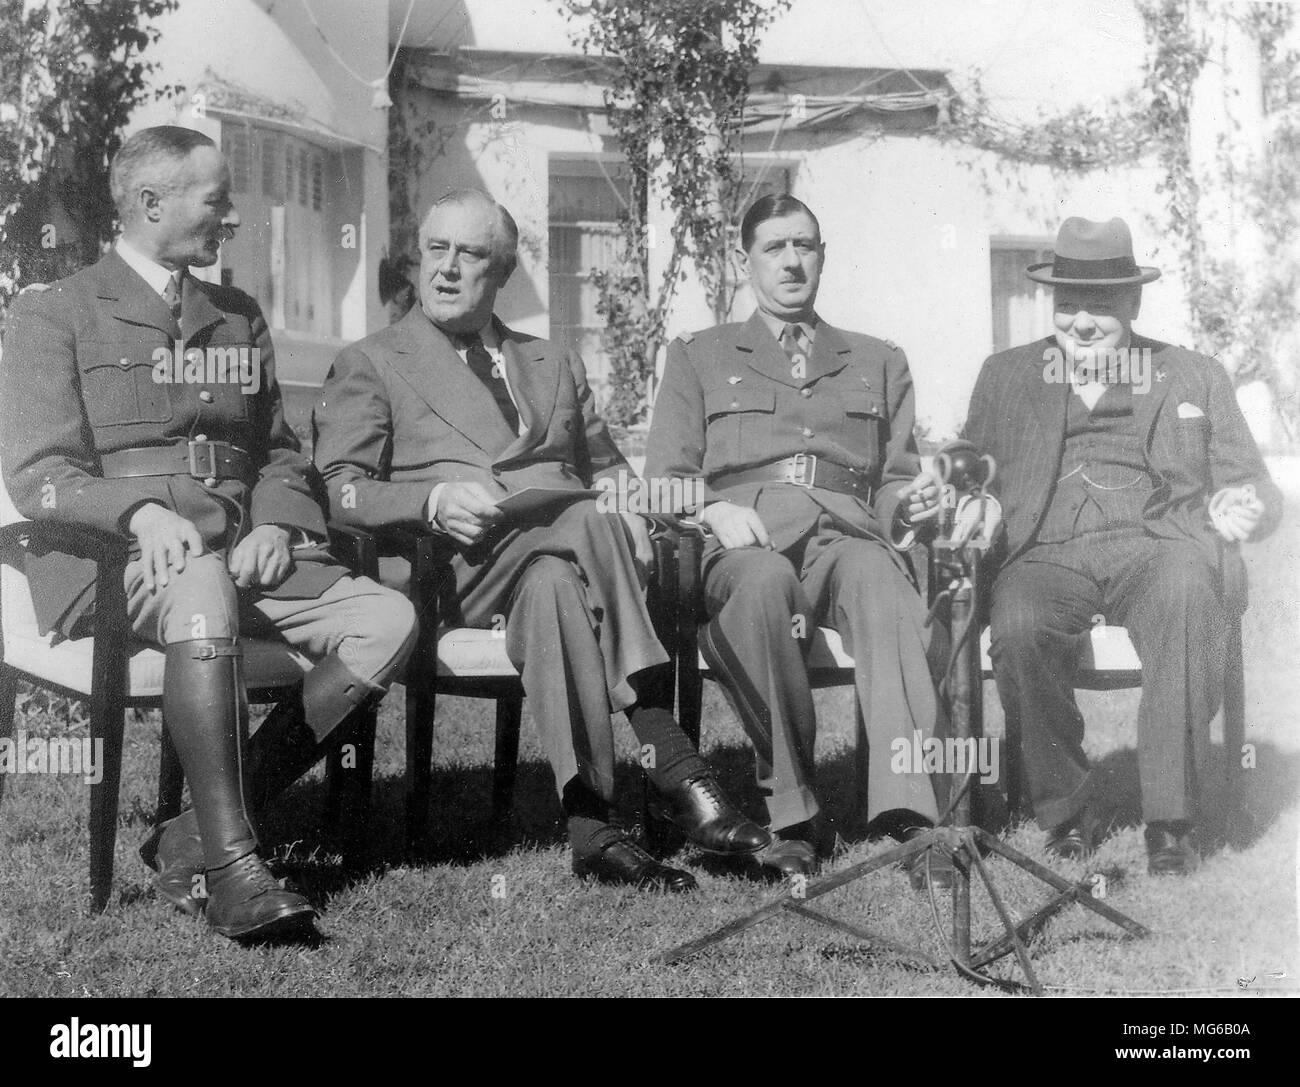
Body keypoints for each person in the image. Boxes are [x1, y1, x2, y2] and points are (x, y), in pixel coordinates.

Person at [0, 126, 417, 940]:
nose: (231, 218)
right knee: (200, 582)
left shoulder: (237, 317)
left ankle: (191, 835)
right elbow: (38, 474)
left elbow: (282, 453)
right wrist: (140, 512)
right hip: (121, 561)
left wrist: (278, 523)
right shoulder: (56, 314)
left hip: (237, 553)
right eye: (217, 200)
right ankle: (233, 872)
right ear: (151, 204)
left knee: (387, 618)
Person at [312, 188, 770, 892]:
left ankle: (593, 830)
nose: (446, 269)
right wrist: (429, 500)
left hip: (555, 567)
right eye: (436, 250)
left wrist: (623, 490)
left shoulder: (550, 361)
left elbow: (607, 468)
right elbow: (341, 488)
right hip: (455, 566)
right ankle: (674, 761)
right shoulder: (373, 360)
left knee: (559, 574)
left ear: (502, 272)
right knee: (586, 521)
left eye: (470, 255)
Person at [960, 216, 1282, 875]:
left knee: (1191, 591)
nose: (1080, 322)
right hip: (1045, 547)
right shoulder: (1006, 374)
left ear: (1133, 303)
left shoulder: (1193, 375)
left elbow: (1255, 483)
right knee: (1018, 622)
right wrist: (976, 499)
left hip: (1157, 544)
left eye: (1099, 306)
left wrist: (1243, 503)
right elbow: (971, 469)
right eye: (1067, 304)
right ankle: (1066, 811)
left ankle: (1171, 820)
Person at [643, 194, 948, 884]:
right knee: (763, 584)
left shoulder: (877, 359)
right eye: (775, 247)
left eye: (804, 246)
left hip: (844, 535)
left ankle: (910, 811)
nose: (791, 260)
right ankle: (793, 812)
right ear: (744, 259)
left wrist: (911, 503)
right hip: (742, 543)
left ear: (822, 256)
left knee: (881, 582)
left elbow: (894, 479)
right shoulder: (699, 354)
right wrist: (714, 509)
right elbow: (664, 477)